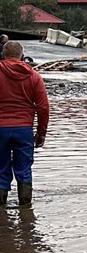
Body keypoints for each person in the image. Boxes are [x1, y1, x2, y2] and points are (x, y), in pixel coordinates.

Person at [0, 41, 49, 208]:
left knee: (0, 170)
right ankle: (26, 211)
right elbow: (43, 107)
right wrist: (41, 133)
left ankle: (2, 214)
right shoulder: (34, 76)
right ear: (22, 55)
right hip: (24, 130)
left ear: (3, 54)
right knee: (24, 170)